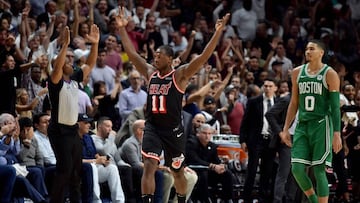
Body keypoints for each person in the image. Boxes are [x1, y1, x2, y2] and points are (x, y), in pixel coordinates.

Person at [115, 6, 230, 203]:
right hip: (152, 127)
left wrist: (217, 33)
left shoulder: (180, 75)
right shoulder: (151, 73)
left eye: (160, 55)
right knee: (150, 165)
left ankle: (182, 199)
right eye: (155, 55)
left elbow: (202, 57)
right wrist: (122, 29)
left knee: (178, 172)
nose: (155, 57)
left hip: (173, 130)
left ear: (170, 59)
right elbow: (133, 55)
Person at [281, 39, 342, 203]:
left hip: (322, 125)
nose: (308, 51)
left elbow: (336, 107)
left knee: (318, 169)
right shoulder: (297, 72)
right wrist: (286, 128)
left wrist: (337, 133)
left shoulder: (330, 74)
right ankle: (314, 200)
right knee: (297, 169)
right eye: (307, 49)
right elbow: (294, 103)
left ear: (321, 53)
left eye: (312, 49)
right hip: (302, 125)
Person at [47, 24, 99, 203]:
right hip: (59, 131)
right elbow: (57, 68)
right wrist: (65, 46)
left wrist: (95, 44)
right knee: (64, 171)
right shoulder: (55, 82)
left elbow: (91, 63)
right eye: (66, 60)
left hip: (72, 130)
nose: (70, 61)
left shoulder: (75, 79)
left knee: (76, 171)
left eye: (71, 59)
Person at [186, 123, 234, 202]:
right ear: (198, 133)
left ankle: (227, 199)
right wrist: (212, 166)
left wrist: (222, 165)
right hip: (194, 170)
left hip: (208, 173)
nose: (207, 136)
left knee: (227, 173)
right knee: (203, 174)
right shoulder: (191, 143)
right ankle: (205, 199)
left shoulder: (212, 146)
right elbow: (194, 160)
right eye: (204, 133)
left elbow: (216, 161)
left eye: (209, 133)